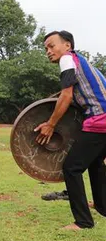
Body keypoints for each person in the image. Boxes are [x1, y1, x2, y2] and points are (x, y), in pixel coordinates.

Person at [35, 30, 106, 230]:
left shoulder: (67, 59)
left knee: (71, 168)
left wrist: (50, 125)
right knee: (95, 164)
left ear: (67, 45)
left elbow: (66, 96)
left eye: (52, 45)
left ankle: (83, 222)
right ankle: (103, 207)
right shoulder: (80, 61)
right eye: (45, 48)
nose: (48, 51)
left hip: (99, 120)